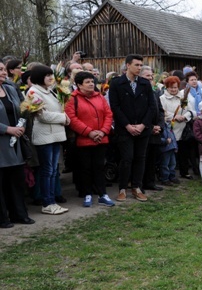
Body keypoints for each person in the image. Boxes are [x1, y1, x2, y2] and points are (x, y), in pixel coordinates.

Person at [109, 54, 158, 201]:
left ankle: (137, 187)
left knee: (140, 158)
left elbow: (152, 106)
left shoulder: (144, 83)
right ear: (128, 65)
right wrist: (127, 125)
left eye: (141, 65)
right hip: (125, 129)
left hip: (143, 128)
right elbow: (115, 107)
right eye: (136, 65)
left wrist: (143, 125)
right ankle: (123, 188)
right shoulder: (117, 83)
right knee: (127, 158)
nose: (139, 68)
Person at [64, 71, 115, 207]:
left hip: (101, 139)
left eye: (92, 81)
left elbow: (108, 115)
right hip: (84, 140)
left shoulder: (100, 97)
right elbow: (72, 119)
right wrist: (89, 132)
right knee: (85, 168)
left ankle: (102, 194)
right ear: (79, 85)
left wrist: (103, 131)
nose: (91, 84)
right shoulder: (72, 99)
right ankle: (87, 194)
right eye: (87, 82)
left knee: (100, 167)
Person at [27, 64, 70, 215]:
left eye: (51, 75)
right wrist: (63, 118)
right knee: (47, 170)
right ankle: (47, 202)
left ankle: (52, 200)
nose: (51, 78)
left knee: (53, 171)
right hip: (44, 136)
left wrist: (65, 116)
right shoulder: (33, 92)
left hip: (55, 134)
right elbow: (42, 115)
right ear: (39, 77)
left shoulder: (50, 91)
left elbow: (59, 109)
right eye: (47, 75)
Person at [0, 61, 34, 228]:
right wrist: (7, 129)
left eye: (4, 69)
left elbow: (22, 109)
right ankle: (2, 218)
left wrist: (21, 126)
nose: (4, 72)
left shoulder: (10, 89)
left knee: (17, 180)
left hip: (15, 142)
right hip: (2, 142)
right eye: (0, 70)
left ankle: (19, 214)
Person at [159, 75, 194, 180]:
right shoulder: (162, 98)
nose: (173, 90)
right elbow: (162, 112)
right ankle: (167, 175)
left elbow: (190, 110)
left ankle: (184, 172)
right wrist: (174, 117)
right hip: (170, 129)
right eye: (171, 87)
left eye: (175, 87)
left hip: (182, 128)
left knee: (183, 152)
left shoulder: (183, 97)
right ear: (167, 87)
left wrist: (184, 116)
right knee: (169, 154)